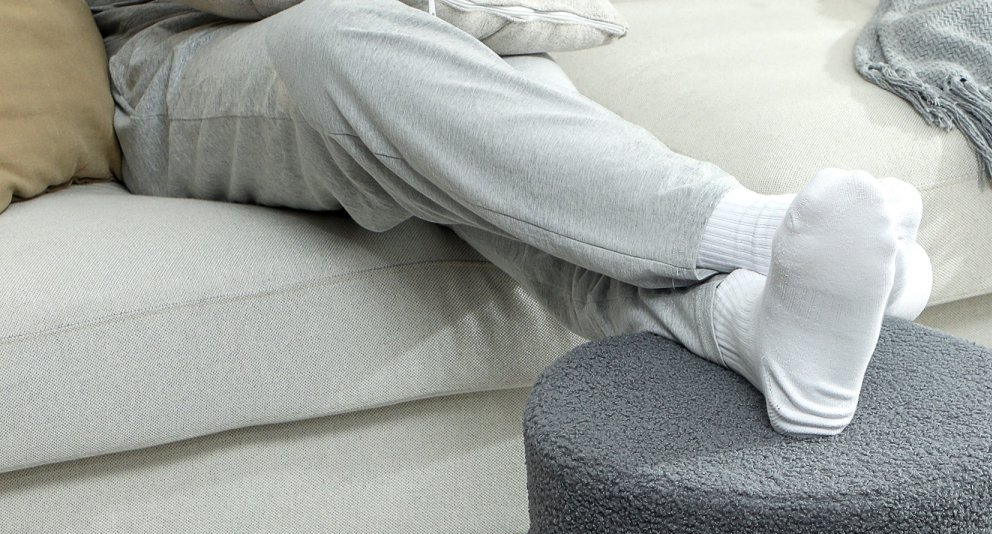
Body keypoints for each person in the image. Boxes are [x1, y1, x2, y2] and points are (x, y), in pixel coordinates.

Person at [87, 0, 932, 436]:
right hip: (177, 55)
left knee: (495, 138)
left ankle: (751, 322)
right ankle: (763, 235)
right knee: (339, 40)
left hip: (442, 25)